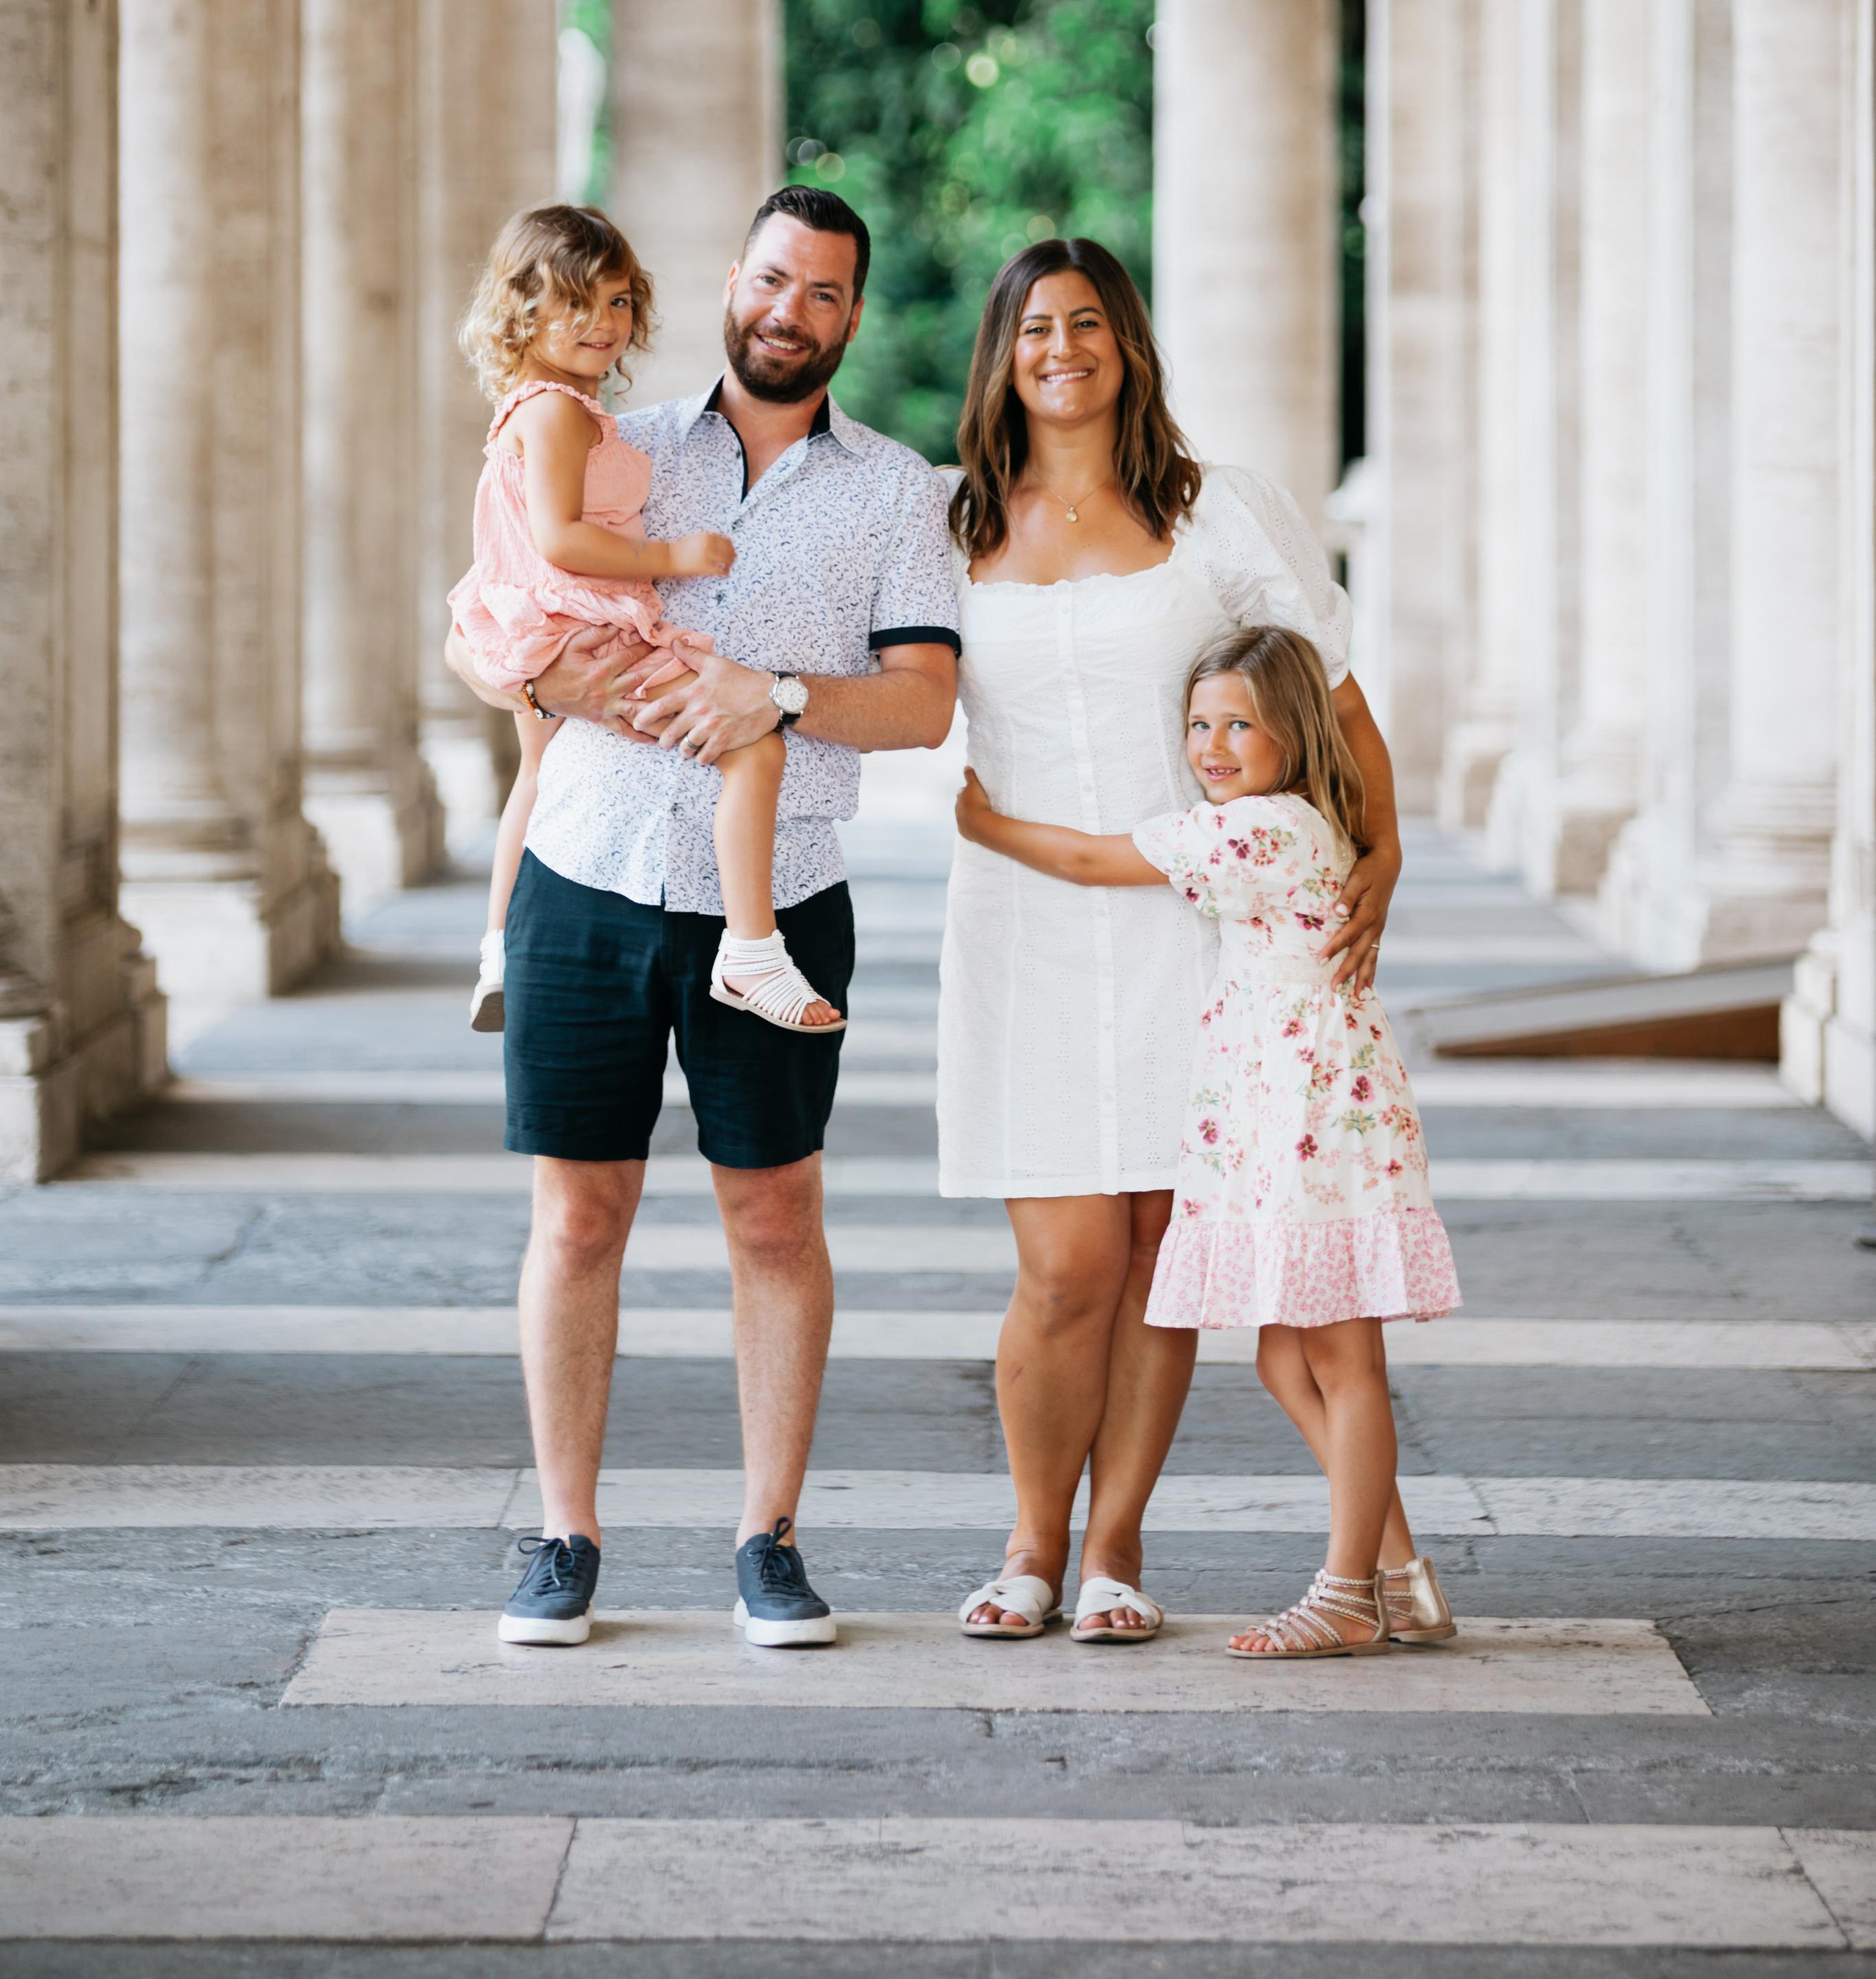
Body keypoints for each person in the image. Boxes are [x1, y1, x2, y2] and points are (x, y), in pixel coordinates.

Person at [445, 187, 959, 1650]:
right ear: (734, 284)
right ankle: (564, 1536)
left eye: (824, 292)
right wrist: (551, 677)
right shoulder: (613, 439)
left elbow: (923, 704)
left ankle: (767, 1539)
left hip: (777, 893)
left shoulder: (897, 492)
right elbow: (482, 617)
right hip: (586, 869)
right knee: (576, 1216)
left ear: (851, 315)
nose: (790, 311)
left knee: (775, 1218)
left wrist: (775, 696)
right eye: (773, 280)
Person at [937, 239, 1403, 1648]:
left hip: (1198, 934)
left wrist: (1382, 851)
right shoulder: (953, 525)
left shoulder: (1213, 512)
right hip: (1022, 925)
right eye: (1035, 328)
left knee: (1156, 1252)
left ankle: (1114, 1554)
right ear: (1002, 357)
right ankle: (1030, 1544)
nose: (1062, 349)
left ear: (1128, 345)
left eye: (1089, 323)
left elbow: (1332, 694)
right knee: (1063, 1264)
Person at [957, 624, 1460, 1657]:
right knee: (1288, 1361)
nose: (1212, 747)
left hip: (1311, 1119)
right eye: (1198, 724)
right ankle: (1402, 1579)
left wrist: (982, 823)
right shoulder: (1306, 820)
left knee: (1341, 1360)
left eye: (1240, 725)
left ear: (1295, 734)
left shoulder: (1259, 831)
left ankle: (1348, 1594)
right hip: (1299, 1108)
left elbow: (1090, 861)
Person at [451, 204, 842, 1036]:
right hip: (584, 624)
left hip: (538, 623)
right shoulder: (557, 413)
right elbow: (560, 537)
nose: (604, 322)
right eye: (575, 302)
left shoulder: (537, 409)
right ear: (523, 307)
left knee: (537, 774)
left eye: (620, 301)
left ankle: (498, 950)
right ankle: (751, 950)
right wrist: (674, 556)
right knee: (755, 745)